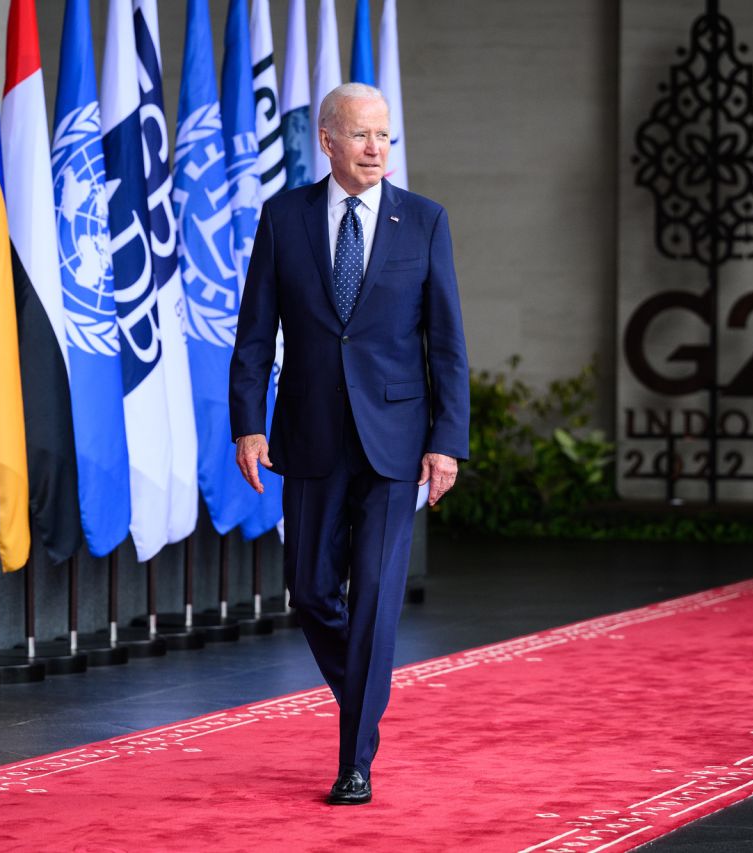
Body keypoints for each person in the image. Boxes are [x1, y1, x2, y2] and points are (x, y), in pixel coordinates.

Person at [230, 82, 469, 805]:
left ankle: (354, 761)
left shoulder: (424, 221)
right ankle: (366, 688)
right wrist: (249, 421)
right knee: (309, 591)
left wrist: (446, 442)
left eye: (385, 137)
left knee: (373, 599)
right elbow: (254, 332)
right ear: (327, 140)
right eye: (362, 136)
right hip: (308, 436)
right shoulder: (284, 218)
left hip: (397, 444)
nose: (376, 149)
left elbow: (448, 344)